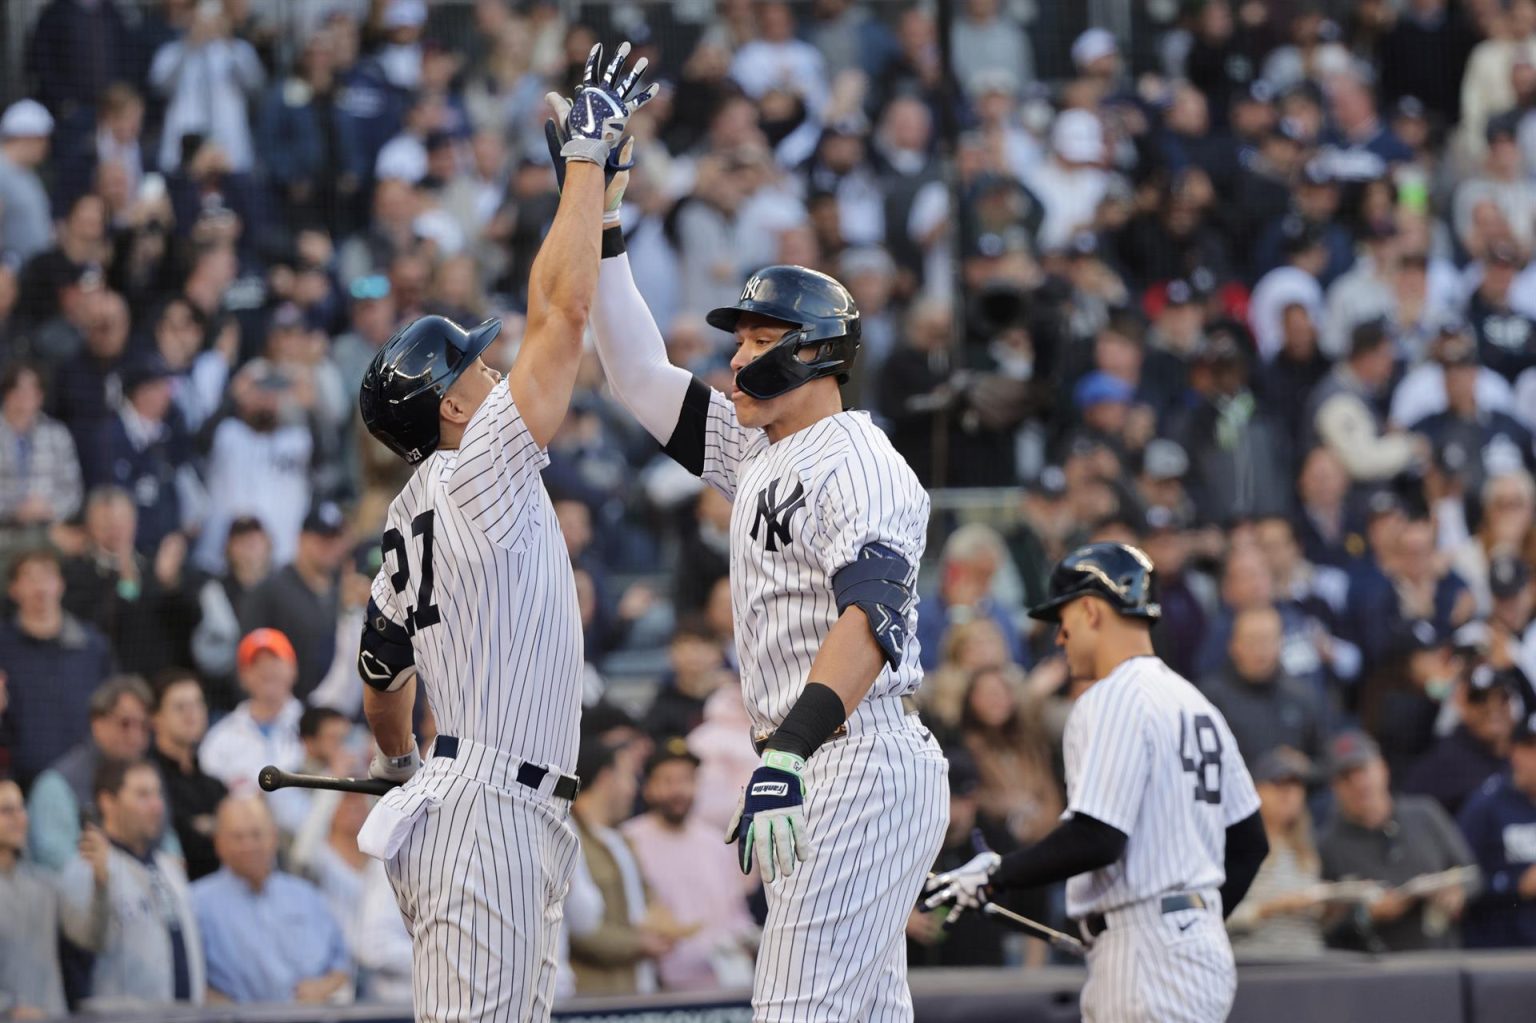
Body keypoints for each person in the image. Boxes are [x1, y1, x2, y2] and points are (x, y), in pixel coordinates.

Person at [589, 115, 948, 1022]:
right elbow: (634, 369)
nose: (738, 356)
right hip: (821, 758)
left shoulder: (860, 462)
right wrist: (601, 219)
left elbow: (870, 619)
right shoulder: (758, 447)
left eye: (757, 339)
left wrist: (787, 751)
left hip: (852, 754)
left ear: (813, 348)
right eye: (738, 338)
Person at [351, 43, 655, 1023]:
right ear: (445, 408)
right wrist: (582, 159)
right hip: (486, 814)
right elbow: (562, 313)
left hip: (496, 808)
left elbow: (380, 676)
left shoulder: (416, 505)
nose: (492, 375)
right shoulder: (477, 464)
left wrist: (399, 765)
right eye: (474, 371)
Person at [923, 542, 1268, 1023]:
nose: (1059, 638)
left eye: (1062, 620)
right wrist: (1195, 919)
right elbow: (1251, 842)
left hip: (1147, 954)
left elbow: (1098, 836)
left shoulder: (1113, 697)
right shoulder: (1196, 703)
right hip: (1190, 946)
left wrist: (994, 875)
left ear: (1089, 609)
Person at [57, 757, 205, 1006]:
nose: (157, 805)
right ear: (107, 802)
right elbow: (84, 946)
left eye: (158, 794)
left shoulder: (170, 867)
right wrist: (101, 885)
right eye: (142, 795)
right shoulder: (85, 868)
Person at [1316, 730, 1477, 952]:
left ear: (1382, 768)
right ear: (1334, 787)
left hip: (1440, 962)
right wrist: (1367, 914)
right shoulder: (1327, 844)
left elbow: (1473, 873)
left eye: (1362, 770)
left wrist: (1458, 892)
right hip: (1374, 970)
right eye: (1346, 776)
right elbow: (1323, 925)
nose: (1358, 783)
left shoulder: (1425, 814)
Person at [621, 739, 758, 992]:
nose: (678, 791)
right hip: (657, 990)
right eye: (667, 781)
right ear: (648, 788)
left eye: (686, 780)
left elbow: (736, 913)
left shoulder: (716, 842)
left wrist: (748, 940)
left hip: (724, 985)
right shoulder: (629, 841)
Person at [192, 796, 351, 1004]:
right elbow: (190, 980)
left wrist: (324, 987)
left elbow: (343, 963)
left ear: (273, 837)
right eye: (237, 837)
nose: (248, 845)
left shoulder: (306, 896)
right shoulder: (196, 903)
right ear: (218, 843)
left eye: (256, 835)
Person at [568, 738, 675, 996]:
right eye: (628, 778)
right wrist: (640, 944)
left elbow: (645, 901)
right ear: (606, 779)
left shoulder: (623, 840)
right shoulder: (569, 837)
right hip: (596, 1002)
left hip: (638, 991)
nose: (633, 790)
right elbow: (577, 928)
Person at [0, 547, 113, 788]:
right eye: (29, 578)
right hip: (21, 780)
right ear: (13, 589)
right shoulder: (3, 646)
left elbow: (112, 704)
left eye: (47, 576)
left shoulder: (92, 645)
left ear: (61, 584)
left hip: (87, 779)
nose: (40, 587)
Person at [25, 675, 154, 871]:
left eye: (144, 726)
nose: (136, 736)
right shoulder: (57, 785)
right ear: (97, 723)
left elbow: (169, 853)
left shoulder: (151, 778)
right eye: (125, 723)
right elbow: (58, 866)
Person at [239, 502, 349, 702]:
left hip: (335, 708)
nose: (330, 547)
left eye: (335, 539)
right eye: (323, 539)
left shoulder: (343, 589)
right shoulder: (271, 590)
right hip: (285, 711)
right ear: (302, 539)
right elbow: (249, 656)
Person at [197, 629, 306, 832]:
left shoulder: (315, 726)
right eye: (255, 664)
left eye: (275, 660)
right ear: (242, 676)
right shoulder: (219, 738)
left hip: (314, 842)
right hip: (249, 842)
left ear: (293, 668)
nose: (266, 670)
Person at [1225, 748, 1328, 959]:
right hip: (1258, 960)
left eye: (1297, 785)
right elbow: (1217, 916)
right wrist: (1270, 909)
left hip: (1309, 959)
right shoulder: (1236, 846)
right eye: (1280, 784)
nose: (1289, 794)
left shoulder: (1306, 851)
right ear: (1255, 790)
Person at [1457, 711, 1536, 948]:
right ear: (1515, 752)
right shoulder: (1485, 805)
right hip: (1500, 956)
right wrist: (1516, 885)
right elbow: (1461, 882)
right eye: (1530, 747)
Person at [1402, 665, 1518, 817]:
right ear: (1461, 701)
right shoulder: (1443, 762)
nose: (1493, 706)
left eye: (1503, 697)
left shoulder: (1525, 751)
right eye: (1478, 698)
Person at [148, 670, 227, 881]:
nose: (191, 714)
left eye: (197, 704)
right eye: (180, 707)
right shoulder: (148, 782)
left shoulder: (215, 785)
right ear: (156, 718)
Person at [0, 777, 66, 1018]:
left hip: (51, 1014)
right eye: (6, 811)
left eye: (21, 808)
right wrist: (7, 1007)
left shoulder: (45, 883)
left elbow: (89, 935)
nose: (20, 818)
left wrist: (100, 884)